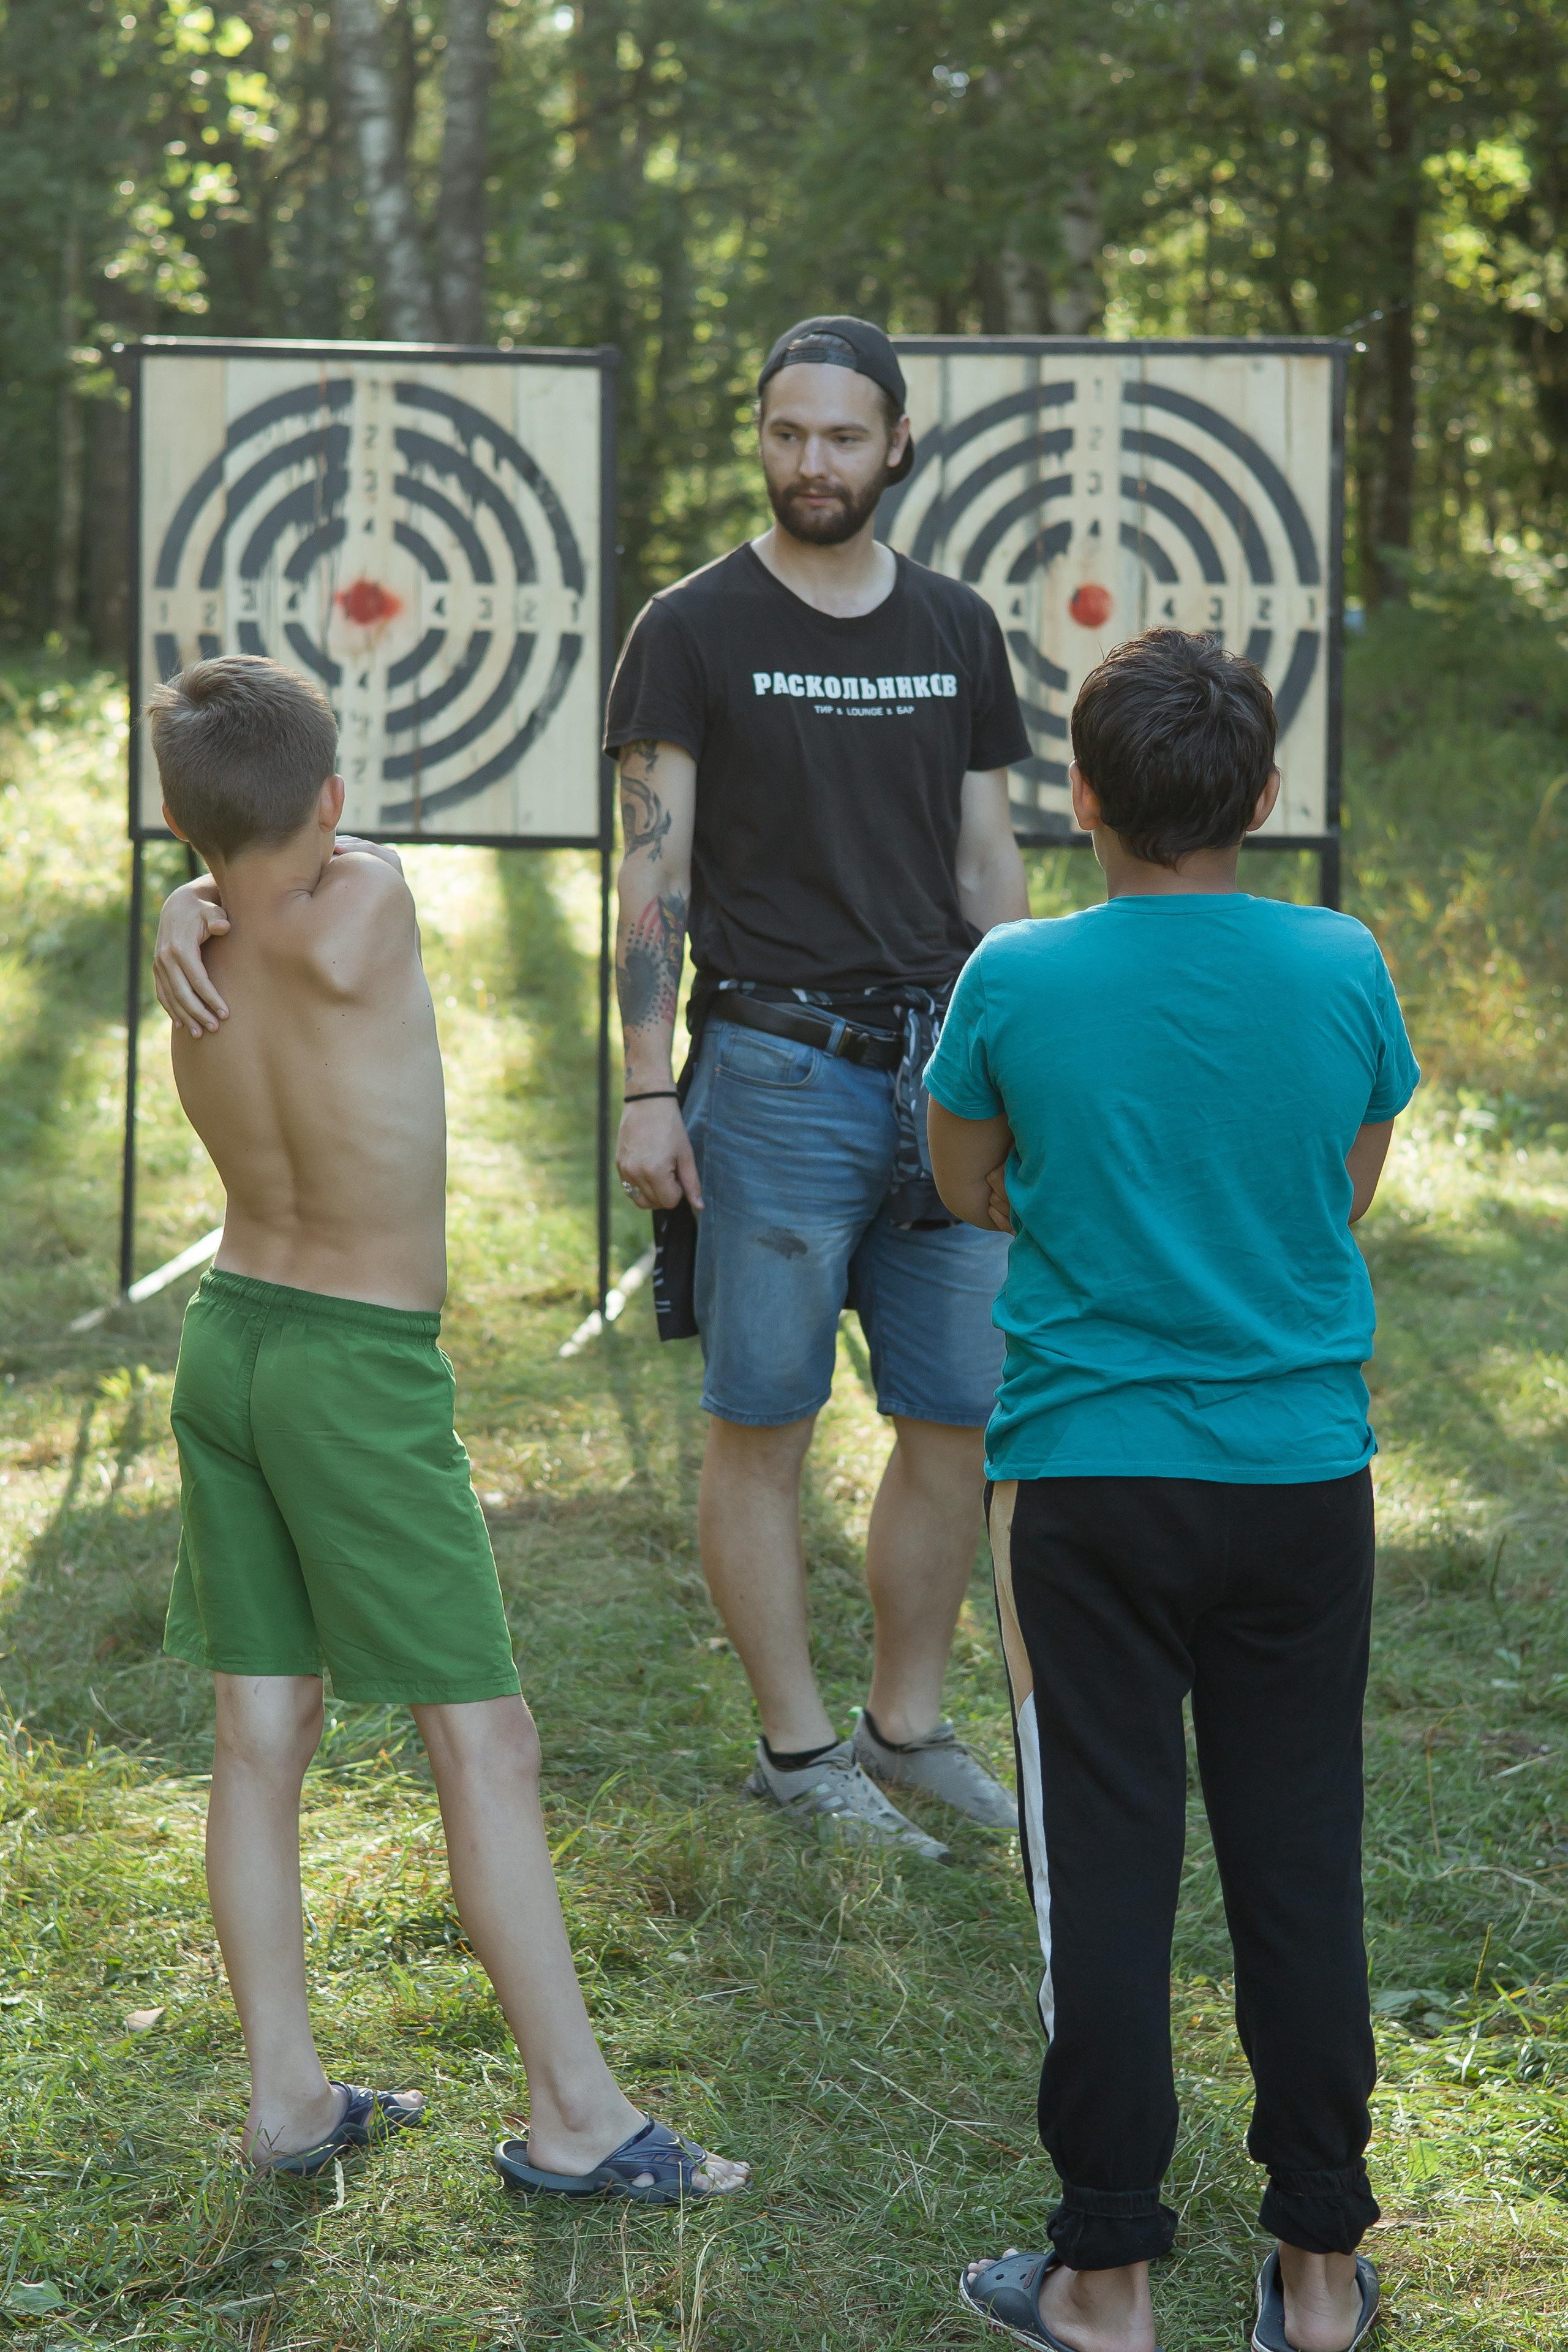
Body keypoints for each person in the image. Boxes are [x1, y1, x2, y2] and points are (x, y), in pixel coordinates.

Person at [146, 654, 748, 2204]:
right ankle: (575, 2115)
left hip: (231, 1340)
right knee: (484, 1736)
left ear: (178, 823)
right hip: (356, 1367)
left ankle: (289, 2099)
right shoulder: (369, 903)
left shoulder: (200, 953)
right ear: (333, 801)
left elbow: (241, 856)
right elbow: (361, 848)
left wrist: (181, 890)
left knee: (257, 1732)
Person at [925, 630, 1413, 2352]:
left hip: (1088, 1484)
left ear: (1080, 800)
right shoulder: (1343, 960)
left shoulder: (1017, 977)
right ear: (1265, 801)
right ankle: (1322, 2277)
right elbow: (1339, 1188)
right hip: (1298, 1481)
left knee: (1108, 1873)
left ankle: (1108, 2274)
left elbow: (970, 1182)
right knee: (1300, 1861)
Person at [605, 315, 1031, 1863]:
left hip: (948, 1077)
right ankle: (795, 1752)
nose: (811, 465)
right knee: (761, 1425)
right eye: (787, 434)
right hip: (769, 1075)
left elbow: (989, 863)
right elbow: (648, 875)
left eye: (842, 438)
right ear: (762, 438)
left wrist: (1037, 1049)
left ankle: (901, 1730)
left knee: (960, 1423)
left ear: (895, 444)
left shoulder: (957, 628)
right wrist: (649, 1090)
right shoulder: (690, 626)